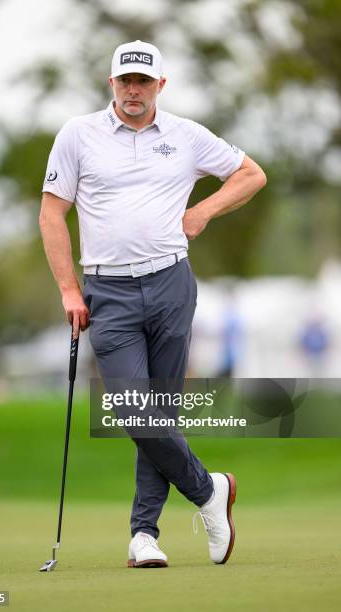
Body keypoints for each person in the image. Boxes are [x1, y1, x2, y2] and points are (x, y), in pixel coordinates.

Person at [39, 40, 266, 568]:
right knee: (132, 408)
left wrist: (203, 212)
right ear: (111, 82)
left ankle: (144, 535)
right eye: (125, 80)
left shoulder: (187, 136)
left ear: (161, 85)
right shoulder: (78, 134)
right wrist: (70, 290)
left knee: (159, 412)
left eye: (144, 81)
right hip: (108, 293)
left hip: (170, 284)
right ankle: (209, 490)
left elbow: (251, 174)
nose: (133, 89)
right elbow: (52, 215)